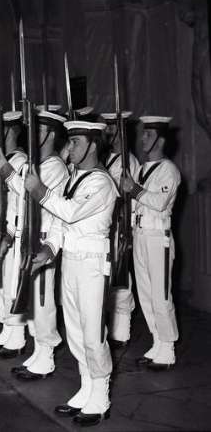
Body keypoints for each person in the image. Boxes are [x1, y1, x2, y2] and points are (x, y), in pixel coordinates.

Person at [25, 119, 118, 427]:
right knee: (75, 329)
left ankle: (101, 394)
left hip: (93, 264)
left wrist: (39, 190)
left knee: (93, 332)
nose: (69, 148)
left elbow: (71, 211)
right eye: (69, 141)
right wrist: (49, 250)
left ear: (93, 145)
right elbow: (58, 223)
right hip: (71, 261)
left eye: (76, 142)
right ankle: (87, 387)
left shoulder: (101, 182)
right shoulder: (74, 178)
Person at [0, 107, 69, 377]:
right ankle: (37, 352)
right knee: (25, 297)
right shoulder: (33, 164)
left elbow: (31, 194)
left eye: (39, 129)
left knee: (42, 301)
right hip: (23, 236)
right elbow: (17, 203)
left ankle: (46, 355)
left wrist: (7, 173)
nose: (32, 133)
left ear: (51, 135)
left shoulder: (55, 167)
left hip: (42, 240)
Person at [120, 116, 180, 370]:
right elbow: (135, 203)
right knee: (145, 294)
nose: (143, 138)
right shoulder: (142, 168)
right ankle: (157, 342)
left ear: (161, 140)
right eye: (143, 133)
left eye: (148, 134)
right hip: (140, 235)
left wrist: (133, 189)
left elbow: (159, 202)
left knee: (160, 295)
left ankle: (168, 348)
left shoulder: (169, 170)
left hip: (158, 238)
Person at [0, 110, 28, 359]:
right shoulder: (4, 159)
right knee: (0, 282)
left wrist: (9, 231)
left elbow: (19, 200)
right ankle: (7, 328)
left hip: (11, 228)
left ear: (9, 131)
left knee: (12, 282)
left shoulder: (19, 162)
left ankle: (17, 335)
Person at [100, 112, 140, 347]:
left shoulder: (129, 162)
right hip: (107, 226)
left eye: (113, 130)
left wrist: (128, 231)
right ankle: (112, 326)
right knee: (108, 276)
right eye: (107, 129)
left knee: (121, 278)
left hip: (120, 225)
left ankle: (122, 331)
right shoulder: (107, 158)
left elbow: (127, 197)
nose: (109, 134)